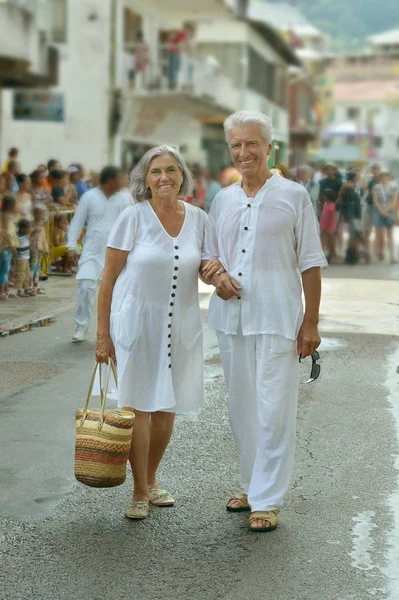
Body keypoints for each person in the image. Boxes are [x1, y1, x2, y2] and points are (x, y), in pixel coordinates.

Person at [202, 110, 327, 533]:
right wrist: (215, 276)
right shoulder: (223, 199)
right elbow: (208, 256)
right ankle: (251, 484)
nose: (243, 152)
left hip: (277, 317)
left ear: (269, 147)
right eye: (236, 145)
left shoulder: (294, 195)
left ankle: (268, 499)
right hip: (231, 319)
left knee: (274, 409)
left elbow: (310, 262)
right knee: (242, 408)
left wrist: (310, 323)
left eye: (251, 143)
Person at [95, 145, 221, 520]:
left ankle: (151, 480)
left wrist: (225, 277)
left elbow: (207, 265)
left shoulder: (199, 218)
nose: (164, 177)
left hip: (181, 322)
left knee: (167, 408)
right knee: (137, 407)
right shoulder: (133, 218)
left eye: (171, 170)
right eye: (156, 172)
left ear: (182, 176)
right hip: (136, 321)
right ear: (145, 181)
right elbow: (107, 282)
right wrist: (103, 336)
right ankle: (137, 489)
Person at [68, 166, 131, 342]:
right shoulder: (89, 197)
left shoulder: (124, 198)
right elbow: (77, 222)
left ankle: (111, 329)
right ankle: (81, 325)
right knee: (86, 286)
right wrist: (71, 246)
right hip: (91, 252)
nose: (124, 181)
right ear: (110, 179)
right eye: (120, 178)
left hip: (117, 253)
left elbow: (131, 225)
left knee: (116, 292)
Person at [373, 169, 398, 264]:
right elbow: (375, 200)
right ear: (380, 177)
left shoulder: (393, 186)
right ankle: (376, 255)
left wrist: (386, 210)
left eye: (386, 175)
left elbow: (394, 200)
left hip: (389, 212)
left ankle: (392, 256)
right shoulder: (376, 187)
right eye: (382, 176)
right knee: (378, 235)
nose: (384, 177)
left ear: (388, 176)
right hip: (379, 212)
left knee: (390, 235)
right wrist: (381, 210)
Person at [339, 169, 362, 265]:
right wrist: (345, 187)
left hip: (358, 211)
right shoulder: (347, 185)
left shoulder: (358, 186)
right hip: (351, 212)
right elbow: (341, 196)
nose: (355, 177)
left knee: (356, 234)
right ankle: (351, 254)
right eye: (354, 175)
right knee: (353, 234)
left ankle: (355, 253)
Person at [0, 195, 18, 300]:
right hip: (6, 245)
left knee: (7, 268)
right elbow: (5, 232)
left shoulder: (9, 215)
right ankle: (2, 291)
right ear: (10, 206)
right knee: (5, 268)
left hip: (9, 245)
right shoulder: (5, 215)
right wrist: (11, 245)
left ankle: (6, 290)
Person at [363, 164, 380, 263]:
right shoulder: (370, 181)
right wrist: (365, 173)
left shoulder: (381, 180)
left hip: (378, 207)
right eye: (373, 170)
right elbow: (363, 186)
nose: (374, 172)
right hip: (369, 206)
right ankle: (367, 252)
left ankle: (376, 252)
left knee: (378, 231)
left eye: (376, 170)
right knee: (367, 231)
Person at [30, 206, 48, 294]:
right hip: (33, 248)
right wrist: (33, 230)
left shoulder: (42, 224)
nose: (41, 215)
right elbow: (28, 234)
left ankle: (36, 285)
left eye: (43, 213)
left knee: (38, 267)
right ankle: (30, 286)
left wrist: (46, 247)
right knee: (32, 267)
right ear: (34, 214)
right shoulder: (31, 223)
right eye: (40, 213)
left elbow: (43, 236)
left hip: (40, 249)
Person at [15, 218, 33, 297]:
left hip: (26, 257)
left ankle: (26, 288)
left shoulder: (26, 235)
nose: (29, 229)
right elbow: (17, 247)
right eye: (28, 227)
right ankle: (19, 290)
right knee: (21, 274)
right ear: (23, 228)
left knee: (27, 274)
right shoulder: (19, 237)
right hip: (21, 258)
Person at [320, 189, 337, 263]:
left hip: (329, 227)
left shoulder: (332, 206)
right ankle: (324, 254)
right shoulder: (325, 204)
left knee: (330, 241)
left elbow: (332, 218)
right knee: (324, 240)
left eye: (325, 195)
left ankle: (332, 255)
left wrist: (330, 227)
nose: (323, 197)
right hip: (324, 226)